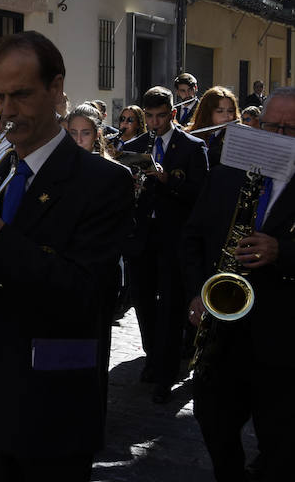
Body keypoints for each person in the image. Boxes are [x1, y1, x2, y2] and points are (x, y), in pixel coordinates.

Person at [0, 31, 133, 480]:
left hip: (52, 401)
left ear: (56, 89)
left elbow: (89, 295)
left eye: (21, 95)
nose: (7, 110)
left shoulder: (103, 181)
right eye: (0, 97)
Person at [182, 87, 295, 481]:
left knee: (280, 438)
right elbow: (193, 237)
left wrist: (283, 250)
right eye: (271, 126)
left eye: (290, 130)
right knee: (211, 418)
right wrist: (197, 291)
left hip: (283, 339)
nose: (278, 137)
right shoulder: (228, 172)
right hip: (224, 330)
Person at [124, 86, 209, 403]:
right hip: (142, 237)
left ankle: (166, 374)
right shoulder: (135, 145)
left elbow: (200, 195)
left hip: (175, 237)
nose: (154, 122)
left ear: (173, 114)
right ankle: (153, 357)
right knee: (143, 302)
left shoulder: (192, 147)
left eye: (161, 116)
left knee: (171, 305)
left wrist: (167, 181)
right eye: (149, 116)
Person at [186, 86, 240, 168]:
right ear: (207, 112)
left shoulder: (236, 139)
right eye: (219, 111)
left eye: (230, 111)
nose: (227, 116)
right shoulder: (192, 135)